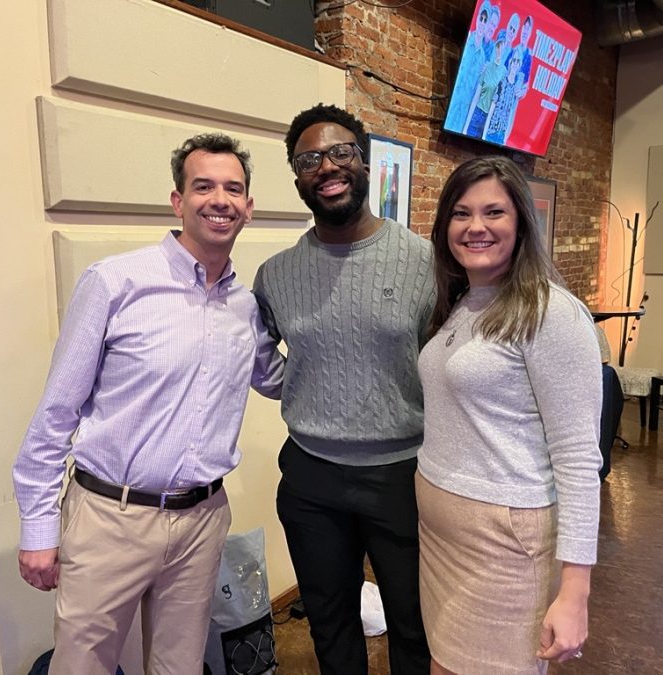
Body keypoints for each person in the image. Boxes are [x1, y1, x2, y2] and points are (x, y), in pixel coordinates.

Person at [12, 133, 284, 673]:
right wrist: (37, 529)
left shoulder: (245, 306)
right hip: (109, 517)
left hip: (202, 520)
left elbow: (278, 380)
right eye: (203, 186)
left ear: (248, 208)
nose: (219, 199)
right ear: (178, 201)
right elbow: (56, 414)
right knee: (82, 665)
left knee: (179, 666)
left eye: (233, 189)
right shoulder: (115, 283)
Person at [253, 103, 435, 675]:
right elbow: (257, 356)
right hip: (312, 476)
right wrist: (304, 389)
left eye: (341, 152)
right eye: (310, 160)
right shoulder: (276, 274)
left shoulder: (425, 261)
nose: (327, 167)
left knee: (415, 621)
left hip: (405, 473)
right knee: (330, 623)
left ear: (363, 161)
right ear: (297, 176)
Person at [417, 156, 602, 674]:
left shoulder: (550, 311)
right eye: (461, 213)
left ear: (522, 222)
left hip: (502, 545)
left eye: (493, 212)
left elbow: (578, 458)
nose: (476, 227)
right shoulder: (465, 301)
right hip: (440, 539)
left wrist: (575, 591)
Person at [443, 2, 495, 134]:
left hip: (465, 110)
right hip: (454, 105)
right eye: (481, 19)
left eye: (485, 20)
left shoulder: (483, 57)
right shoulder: (466, 44)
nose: (482, 23)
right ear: (477, 19)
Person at [462, 38, 508, 138]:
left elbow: (500, 98)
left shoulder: (504, 72)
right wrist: (465, 128)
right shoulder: (487, 67)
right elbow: (475, 98)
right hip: (477, 114)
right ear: (496, 49)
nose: (501, 51)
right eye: (500, 47)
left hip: (490, 121)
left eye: (504, 48)